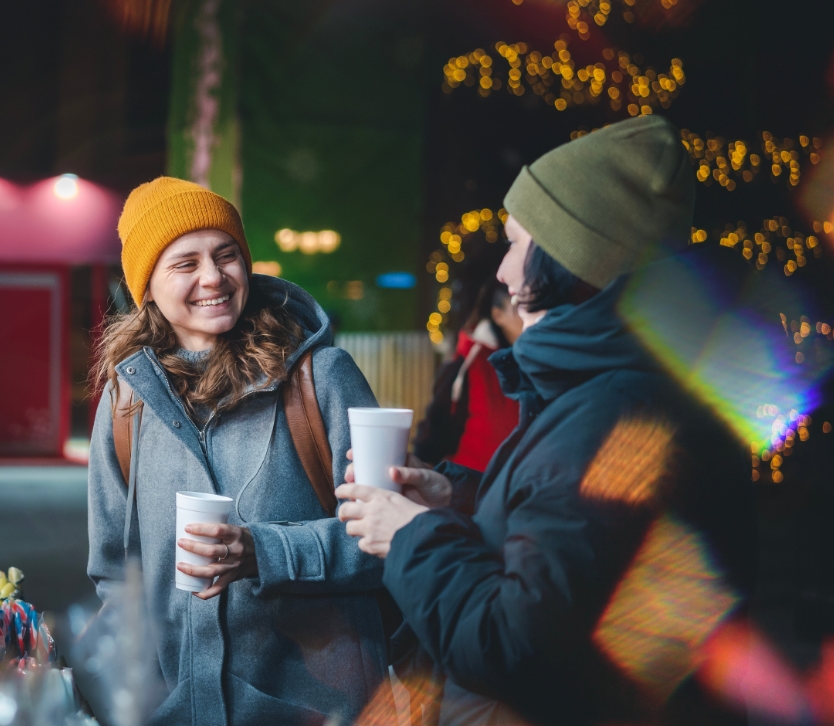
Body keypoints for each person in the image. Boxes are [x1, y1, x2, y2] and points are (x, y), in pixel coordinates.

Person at [335, 117, 756, 725]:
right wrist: (455, 499)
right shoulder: (622, 388)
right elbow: (570, 546)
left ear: (571, 257)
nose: (503, 273)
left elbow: (515, 645)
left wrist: (410, 537)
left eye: (515, 243)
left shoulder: (619, 415)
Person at [87, 177, 389, 725]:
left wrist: (263, 551)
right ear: (147, 286)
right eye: (185, 263)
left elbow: (386, 542)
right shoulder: (125, 401)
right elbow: (114, 570)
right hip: (175, 709)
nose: (213, 277)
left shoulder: (319, 380)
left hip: (317, 709)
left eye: (227, 255)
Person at [414, 279, 522, 472]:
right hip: (470, 487)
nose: (529, 313)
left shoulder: (538, 361)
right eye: (517, 305)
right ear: (497, 315)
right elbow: (437, 424)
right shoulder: (471, 361)